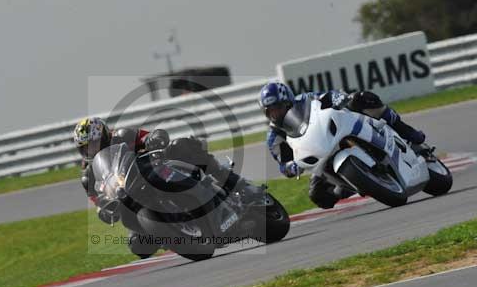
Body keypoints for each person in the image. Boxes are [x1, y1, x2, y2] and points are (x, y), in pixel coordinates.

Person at [73, 117, 245, 257]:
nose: (91, 150)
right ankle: (172, 235)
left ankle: (224, 176)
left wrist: (154, 139)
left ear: (104, 136)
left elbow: (148, 136)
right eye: (85, 148)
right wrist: (104, 210)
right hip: (127, 199)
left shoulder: (123, 135)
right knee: (137, 246)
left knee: (181, 146)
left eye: (94, 144)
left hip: (150, 172)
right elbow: (99, 200)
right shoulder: (88, 176)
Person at [259, 82, 427, 209]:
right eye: (270, 111)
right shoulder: (274, 137)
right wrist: (291, 167)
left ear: (287, 101)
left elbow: (325, 96)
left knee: (362, 97)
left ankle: (406, 131)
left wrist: (337, 97)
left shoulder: (304, 99)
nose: (276, 113)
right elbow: (283, 164)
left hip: (338, 129)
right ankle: (348, 186)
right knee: (318, 196)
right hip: (320, 155)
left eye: (278, 107)